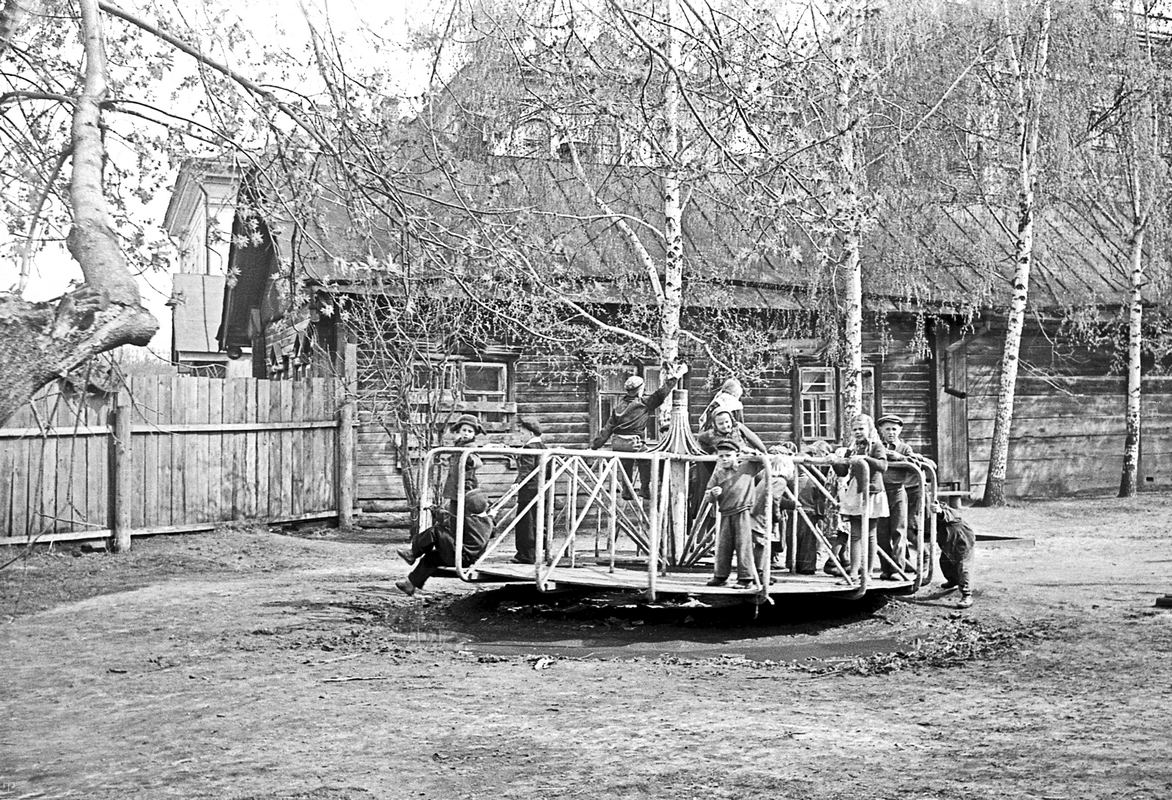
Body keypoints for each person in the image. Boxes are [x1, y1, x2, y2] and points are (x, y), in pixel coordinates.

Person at [591, 363, 687, 498]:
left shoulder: (618, 407)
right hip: (634, 443)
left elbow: (607, 429)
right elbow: (661, 393)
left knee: (626, 464)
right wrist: (676, 376)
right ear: (640, 389)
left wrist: (594, 446)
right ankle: (644, 488)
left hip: (618, 443)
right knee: (646, 459)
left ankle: (627, 490)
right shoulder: (643, 403)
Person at [396, 490, 494, 596]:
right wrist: (491, 517)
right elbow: (492, 533)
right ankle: (410, 584)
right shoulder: (488, 522)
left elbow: (445, 517)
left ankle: (412, 553)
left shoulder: (467, 520)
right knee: (431, 558)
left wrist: (433, 507)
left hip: (461, 556)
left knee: (436, 531)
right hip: (470, 558)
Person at [832, 414, 889, 579]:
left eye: (861, 429)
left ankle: (868, 572)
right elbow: (843, 472)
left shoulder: (876, 446)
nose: (858, 432)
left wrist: (865, 458)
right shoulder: (853, 447)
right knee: (855, 534)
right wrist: (835, 462)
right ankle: (854, 571)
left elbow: (883, 465)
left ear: (869, 429)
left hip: (871, 491)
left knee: (870, 534)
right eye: (855, 429)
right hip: (856, 490)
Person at [704, 439, 762, 588]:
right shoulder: (718, 473)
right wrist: (713, 493)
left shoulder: (747, 466)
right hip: (725, 513)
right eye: (721, 456)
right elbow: (708, 496)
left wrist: (751, 452)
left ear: (736, 455)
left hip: (744, 511)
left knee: (743, 545)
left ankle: (746, 578)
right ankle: (721, 576)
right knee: (723, 546)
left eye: (728, 455)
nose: (724, 459)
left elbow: (764, 459)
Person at [875, 414, 916, 579]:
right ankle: (886, 568)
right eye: (887, 429)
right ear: (881, 431)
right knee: (881, 533)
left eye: (894, 429)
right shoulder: (877, 447)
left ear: (899, 430)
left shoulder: (905, 448)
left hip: (898, 491)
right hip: (880, 493)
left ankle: (898, 569)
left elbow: (915, 465)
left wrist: (900, 458)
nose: (891, 432)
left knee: (898, 530)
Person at [511, 416, 546, 565]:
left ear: (530, 434)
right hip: (540, 490)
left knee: (525, 523)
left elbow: (526, 468)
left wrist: (517, 483)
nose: (520, 436)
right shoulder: (543, 447)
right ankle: (538, 552)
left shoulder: (529, 448)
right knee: (537, 522)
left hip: (528, 491)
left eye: (522, 433)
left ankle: (525, 555)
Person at [440, 414, 485, 511]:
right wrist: (445, 461)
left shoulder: (471, 447)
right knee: (454, 510)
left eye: (470, 431)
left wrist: (469, 460)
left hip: (466, 484)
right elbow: (453, 459)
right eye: (464, 430)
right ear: (459, 431)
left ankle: (464, 526)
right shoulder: (458, 445)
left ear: (474, 434)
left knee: (465, 511)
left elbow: (477, 462)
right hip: (455, 483)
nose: (466, 433)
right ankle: (454, 525)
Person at [936, 504, 976, 608]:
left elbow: (947, 515)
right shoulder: (923, 512)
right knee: (944, 562)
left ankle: (967, 595)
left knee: (963, 566)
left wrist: (940, 512)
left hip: (962, 539)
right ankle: (953, 580)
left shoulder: (945, 510)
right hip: (949, 541)